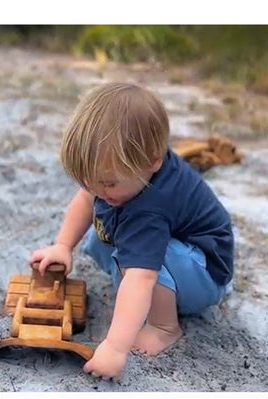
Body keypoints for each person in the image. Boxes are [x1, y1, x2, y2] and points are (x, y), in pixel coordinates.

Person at [30, 82, 234, 380]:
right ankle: (142, 294)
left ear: (153, 161)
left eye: (109, 183)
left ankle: (165, 327)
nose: (99, 190)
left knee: (147, 260)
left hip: (204, 273)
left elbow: (142, 276)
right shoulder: (127, 173)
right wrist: (62, 245)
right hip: (175, 250)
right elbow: (87, 198)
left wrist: (114, 347)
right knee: (103, 237)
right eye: (91, 180)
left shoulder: (150, 208)